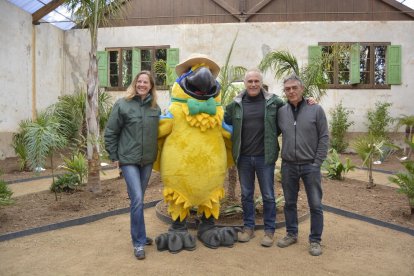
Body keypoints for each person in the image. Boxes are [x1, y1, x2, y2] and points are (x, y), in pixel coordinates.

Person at [224, 69, 285, 247]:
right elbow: (224, 121)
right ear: (245, 83)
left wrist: (308, 102)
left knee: (268, 194)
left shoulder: (274, 103)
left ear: (261, 83)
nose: (253, 84)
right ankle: (248, 228)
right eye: (249, 81)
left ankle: (269, 230)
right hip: (243, 158)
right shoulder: (235, 104)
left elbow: (289, 113)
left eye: (256, 81)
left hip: (264, 157)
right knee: (246, 195)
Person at [104, 71, 161, 260]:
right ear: (135, 83)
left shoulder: (155, 108)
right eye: (139, 81)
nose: (142, 84)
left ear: (151, 86)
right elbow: (111, 131)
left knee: (139, 199)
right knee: (137, 199)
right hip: (128, 159)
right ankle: (138, 243)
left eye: (146, 82)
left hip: (146, 161)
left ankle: (142, 236)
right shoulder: (123, 104)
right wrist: (113, 155)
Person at [276, 74, 329, 256]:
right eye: (287, 89)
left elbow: (324, 137)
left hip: (310, 166)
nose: (291, 91)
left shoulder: (316, 110)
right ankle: (291, 234)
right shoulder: (281, 111)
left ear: (302, 89)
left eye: (294, 88)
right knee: (289, 203)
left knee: (315, 204)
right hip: (288, 165)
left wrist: (317, 163)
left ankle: (315, 240)